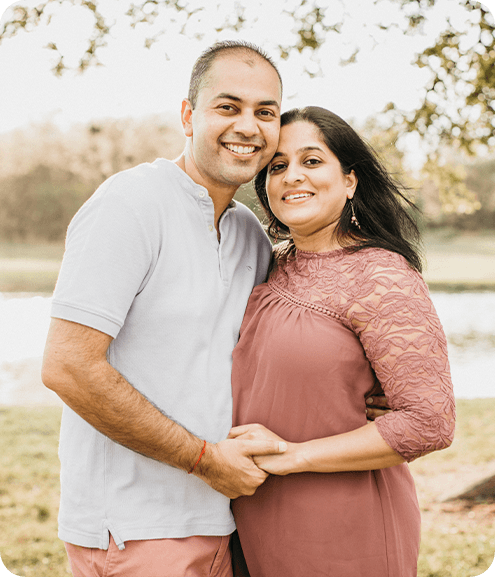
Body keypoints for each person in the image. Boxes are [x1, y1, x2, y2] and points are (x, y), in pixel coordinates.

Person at [41, 40, 290, 577]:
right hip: (134, 533)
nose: (248, 126)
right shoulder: (129, 204)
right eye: (228, 107)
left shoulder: (249, 233)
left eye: (264, 112)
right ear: (187, 114)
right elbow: (68, 367)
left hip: (227, 521)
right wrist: (204, 460)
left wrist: (364, 392)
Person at [229, 106, 456, 577]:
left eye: (312, 161)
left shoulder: (381, 275)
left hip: (345, 522)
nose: (293, 176)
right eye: (278, 165)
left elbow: (431, 421)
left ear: (350, 180)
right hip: (253, 515)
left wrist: (293, 455)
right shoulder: (268, 264)